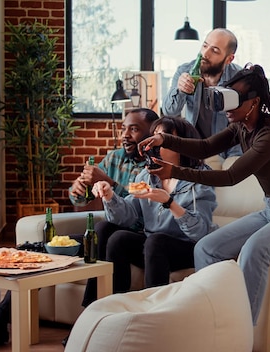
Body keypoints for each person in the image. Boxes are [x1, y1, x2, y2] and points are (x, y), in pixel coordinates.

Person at [138, 64, 270, 325]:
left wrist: (174, 171)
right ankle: (212, 316)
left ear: (254, 103)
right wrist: (164, 140)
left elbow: (230, 177)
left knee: (254, 249)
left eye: (233, 102)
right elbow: (204, 148)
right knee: (206, 247)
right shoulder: (241, 126)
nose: (226, 109)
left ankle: (240, 331)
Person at [0, 108, 159, 345]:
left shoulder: (154, 167)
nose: (125, 135)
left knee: (105, 230)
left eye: (134, 129)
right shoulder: (114, 157)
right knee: (46, 248)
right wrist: (79, 189)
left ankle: (83, 325)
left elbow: (137, 214)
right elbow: (80, 199)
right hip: (103, 235)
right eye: (123, 129)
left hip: (133, 238)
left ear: (151, 133)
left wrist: (106, 182)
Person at [81, 117, 217, 307]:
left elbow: (199, 232)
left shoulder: (200, 178)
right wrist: (110, 195)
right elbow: (127, 217)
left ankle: (152, 313)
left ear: (183, 145)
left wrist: (169, 202)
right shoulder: (149, 174)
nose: (154, 144)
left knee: (156, 240)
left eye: (162, 139)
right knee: (111, 233)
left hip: (187, 247)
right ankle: (101, 308)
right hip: (153, 246)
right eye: (153, 137)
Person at [161, 28, 242, 158]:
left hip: (230, 151)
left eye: (214, 50)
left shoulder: (239, 78)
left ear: (229, 59)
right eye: (205, 45)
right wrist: (180, 90)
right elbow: (169, 112)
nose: (205, 53)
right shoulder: (185, 71)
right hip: (195, 150)